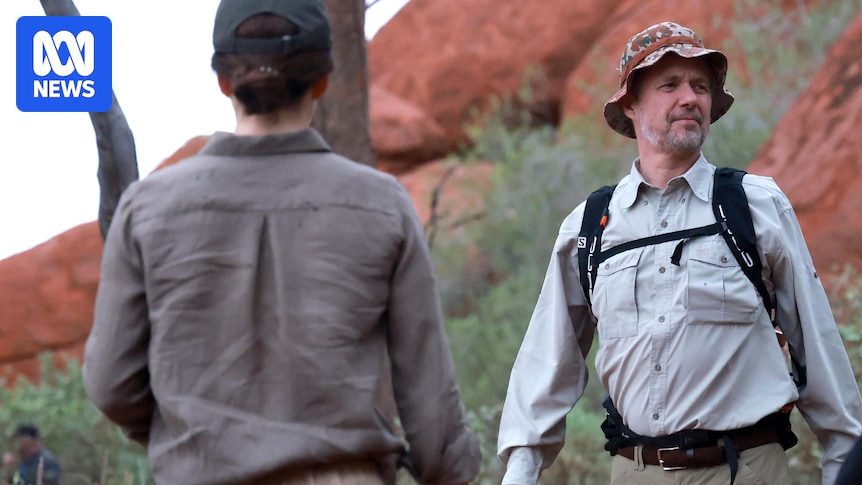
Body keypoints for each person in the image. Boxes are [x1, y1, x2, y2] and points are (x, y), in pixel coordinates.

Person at [81, 1, 481, 484]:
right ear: (323, 80)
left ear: (223, 80)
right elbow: (430, 402)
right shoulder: (381, 204)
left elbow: (111, 384)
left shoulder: (147, 208)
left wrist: (194, 435)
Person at [496, 21, 862, 485]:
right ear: (630, 105)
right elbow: (547, 361)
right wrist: (521, 471)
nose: (690, 98)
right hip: (635, 473)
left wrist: (844, 463)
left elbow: (818, 347)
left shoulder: (755, 205)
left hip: (747, 471)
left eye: (700, 87)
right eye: (669, 85)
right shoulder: (589, 227)